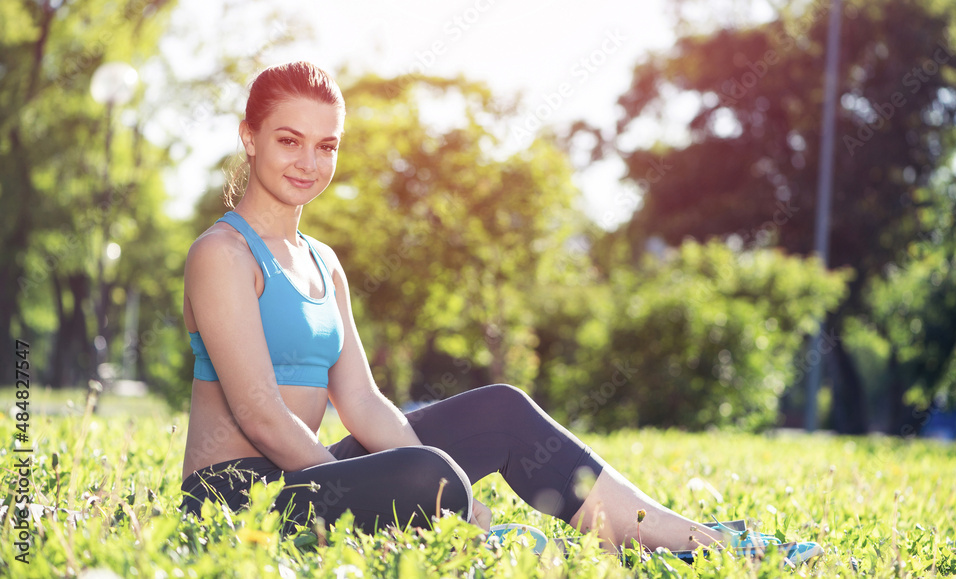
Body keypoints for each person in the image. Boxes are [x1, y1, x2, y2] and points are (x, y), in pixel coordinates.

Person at [179, 60, 822, 565]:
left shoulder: (323, 261)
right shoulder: (224, 253)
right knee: (426, 475)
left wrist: (425, 475)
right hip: (240, 500)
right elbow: (261, 414)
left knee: (501, 411)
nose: (309, 163)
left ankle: (685, 540)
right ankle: (485, 534)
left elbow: (366, 405)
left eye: (327, 146)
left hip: (315, 478)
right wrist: (383, 483)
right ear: (249, 136)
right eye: (289, 140)